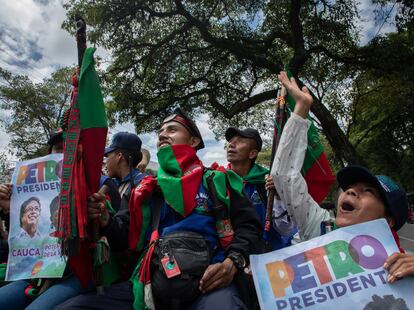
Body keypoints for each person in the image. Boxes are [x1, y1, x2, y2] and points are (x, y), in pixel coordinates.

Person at [57, 108, 262, 310]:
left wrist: (233, 261)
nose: (163, 134)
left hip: (210, 286)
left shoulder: (219, 181)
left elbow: (249, 228)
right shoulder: (145, 190)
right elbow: (122, 239)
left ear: (193, 142)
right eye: (160, 132)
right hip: (149, 286)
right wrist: (105, 221)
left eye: (172, 130)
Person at [271, 70, 414, 284]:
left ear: (387, 220)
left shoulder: (400, 264)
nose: (350, 191)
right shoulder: (318, 225)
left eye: (369, 191)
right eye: (350, 187)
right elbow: (284, 176)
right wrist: (301, 109)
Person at [225, 127, 295, 251]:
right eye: (230, 141)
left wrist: (278, 196)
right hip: (233, 255)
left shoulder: (269, 182)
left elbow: (285, 229)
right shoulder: (219, 181)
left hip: (269, 255)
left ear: (252, 153)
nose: (231, 144)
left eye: (240, 141)